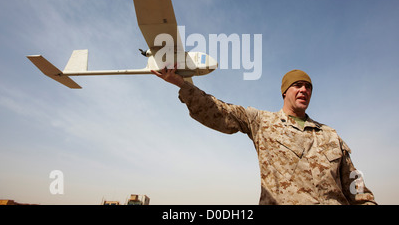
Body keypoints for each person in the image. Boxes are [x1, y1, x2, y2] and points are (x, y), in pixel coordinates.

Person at [152, 66, 377, 205]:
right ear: (285, 91)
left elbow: (357, 190)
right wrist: (181, 83)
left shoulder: (331, 136)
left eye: (308, 87)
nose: (304, 90)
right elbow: (219, 112)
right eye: (297, 85)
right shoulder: (262, 122)